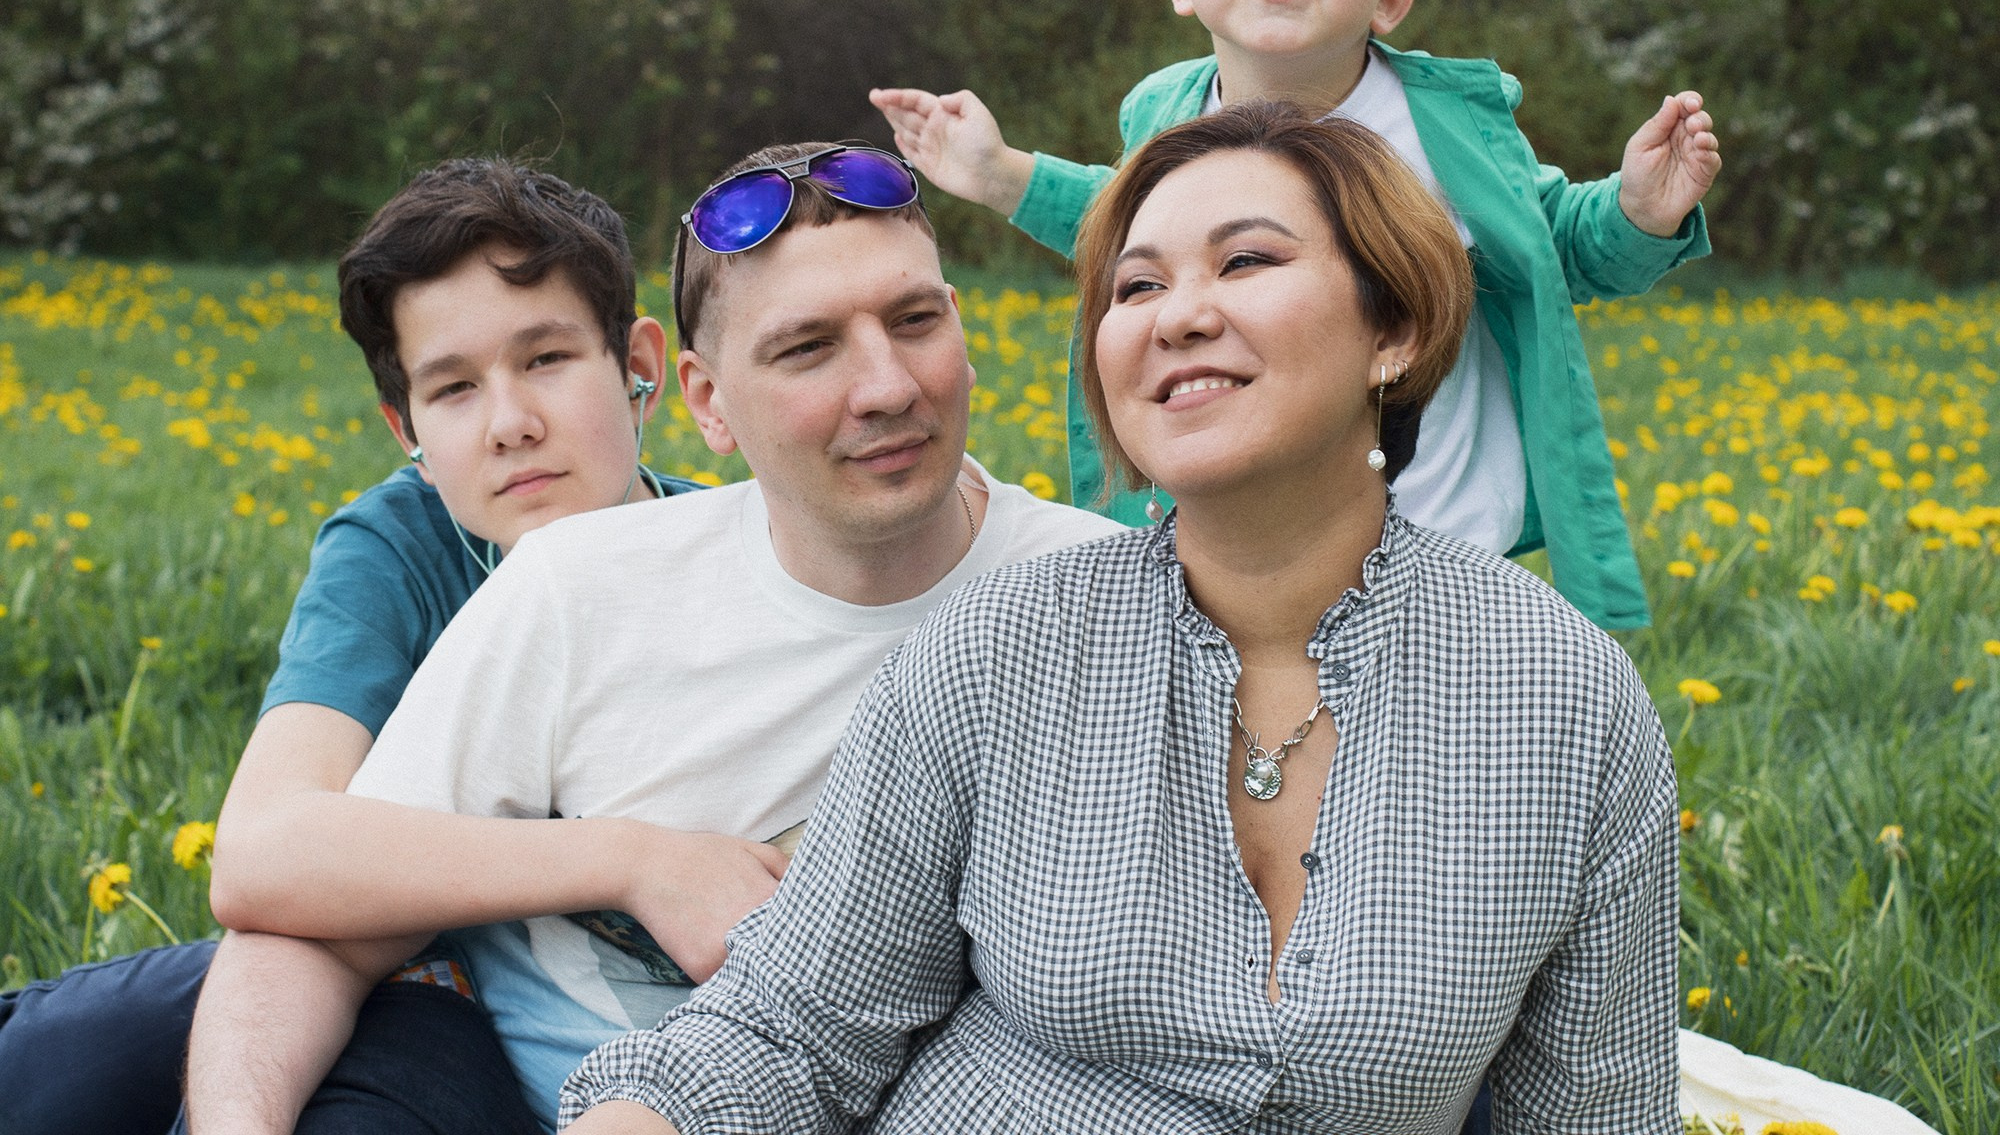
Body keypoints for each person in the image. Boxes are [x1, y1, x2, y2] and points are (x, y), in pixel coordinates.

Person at [561, 103, 1681, 1134]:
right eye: (1135, 289)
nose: (1179, 314)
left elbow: (1596, 1113)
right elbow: (787, 1029)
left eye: (1246, 261)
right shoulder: (998, 651)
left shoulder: (1560, 700)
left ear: (1391, 328)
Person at [181, 141, 1119, 1133]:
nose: (886, 386)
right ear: (706, 400)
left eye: (913, 320)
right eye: (808, 347)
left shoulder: (1105, 605)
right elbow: (300, 921)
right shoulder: (573, 585)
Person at [872, 0, 1722, 629]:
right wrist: (1001, 175)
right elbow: (1120, 229)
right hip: (1225, 547)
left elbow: (1560, 246)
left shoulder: (1447, 131)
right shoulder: (1166, 120)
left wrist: (1640, 211)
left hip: (1443, 546)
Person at [0, 158, 704, 1135]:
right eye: (453, 388)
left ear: (640, 365)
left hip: (477, 1029)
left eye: (544, 358)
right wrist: (627, 860)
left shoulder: (746, 564)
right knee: (47, 1068)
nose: (511, 424)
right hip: (377, 953)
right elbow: (260, 854)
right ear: (401, 425)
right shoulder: (403, 542)